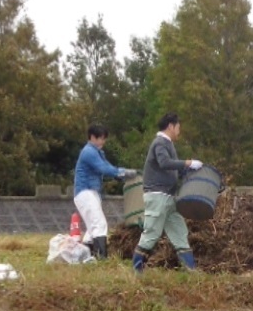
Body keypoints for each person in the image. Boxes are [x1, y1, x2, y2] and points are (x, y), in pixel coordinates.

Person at [134, 112, 202, 272]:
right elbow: (164, 163)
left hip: (169, 197)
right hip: (158, 195)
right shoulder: (160, 142)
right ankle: (136, 273)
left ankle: (191, 272)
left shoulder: (168, 144)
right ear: (171, 126)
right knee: (151, 234)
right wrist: (188, 163)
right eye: (178, 127)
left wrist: (186, 171)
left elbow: (171, 169)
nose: (179, 131)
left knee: (180, 233)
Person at [72, 123, 130, 260]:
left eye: (104, 139)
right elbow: (103, 168)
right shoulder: (89, 152)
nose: (103, 142)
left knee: (92, 227)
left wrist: (120, 172)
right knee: (99, 223)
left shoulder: (97, 152)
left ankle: (87, 256)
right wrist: (123, 172)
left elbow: (107, 166)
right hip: (85, 192)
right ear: (92, 137)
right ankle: (101, 257)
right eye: (101, 138)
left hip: (90, 192)